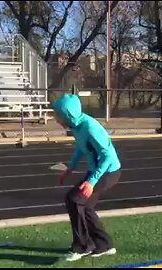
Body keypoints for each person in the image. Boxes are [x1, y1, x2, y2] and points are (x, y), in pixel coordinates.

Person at [52, 93, 122, 262]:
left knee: (74, 199)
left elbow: (107, 156)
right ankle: (104, 245)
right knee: (85, 206)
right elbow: (80, 148)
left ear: (68, 114)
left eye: (59, 116)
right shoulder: (76, 127)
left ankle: (83, 246)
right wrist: (69, 169)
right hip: (97, 171)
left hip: (108, 172)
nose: (56, 119)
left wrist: (91, 182)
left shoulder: (90, 127)